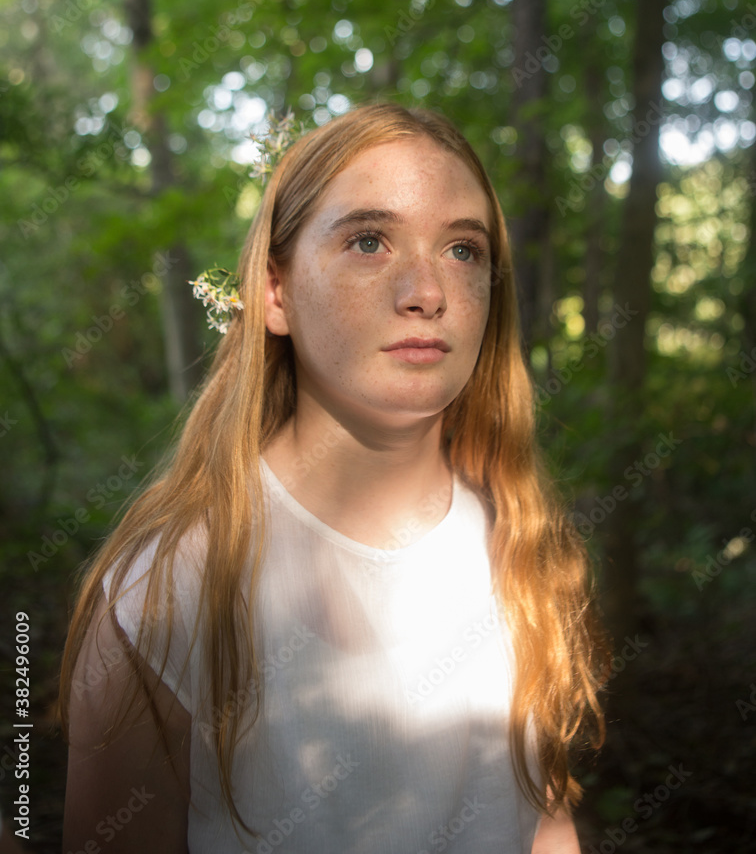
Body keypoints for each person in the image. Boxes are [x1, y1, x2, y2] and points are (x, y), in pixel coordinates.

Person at [59, 102, 609, 853]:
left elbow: (539, 818)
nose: (427, 291)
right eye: (369, 241)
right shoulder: (167, 591)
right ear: (276, 292)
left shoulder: (521, 545)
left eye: (462, 250)